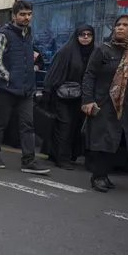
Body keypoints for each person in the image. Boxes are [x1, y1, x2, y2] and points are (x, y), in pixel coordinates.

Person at [82, 15, 128, 192]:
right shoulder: (103, 49)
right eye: (117, 25)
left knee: (117, 140)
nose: (120, 28)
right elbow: (89, 75)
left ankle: (104, 175)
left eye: (125, 25)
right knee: (105, 139)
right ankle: (97, 176)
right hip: (105, 102)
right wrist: (88, 100)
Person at [0, 0, 50, 174]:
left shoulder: (28, 34)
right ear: (14, 16)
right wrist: (10, 78)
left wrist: (32, 70)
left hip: (26, 89)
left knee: (28, 125)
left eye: (29, 14)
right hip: (6, 89)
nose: (26, 17)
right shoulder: (4, 34)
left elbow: (28, 58)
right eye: (22, 14)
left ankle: (29, 160)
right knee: (0, 123)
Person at [41, 25, 94, 170]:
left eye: (89, 35)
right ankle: (61, 158)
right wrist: (47, 91)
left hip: (80, 97)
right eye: (82, 34)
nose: (85, 37)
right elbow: (53, 72)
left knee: (75, 127)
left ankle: (62, 154)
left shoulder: (93, 53)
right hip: (61, 96)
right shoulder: (66, 51)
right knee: (65, 126)